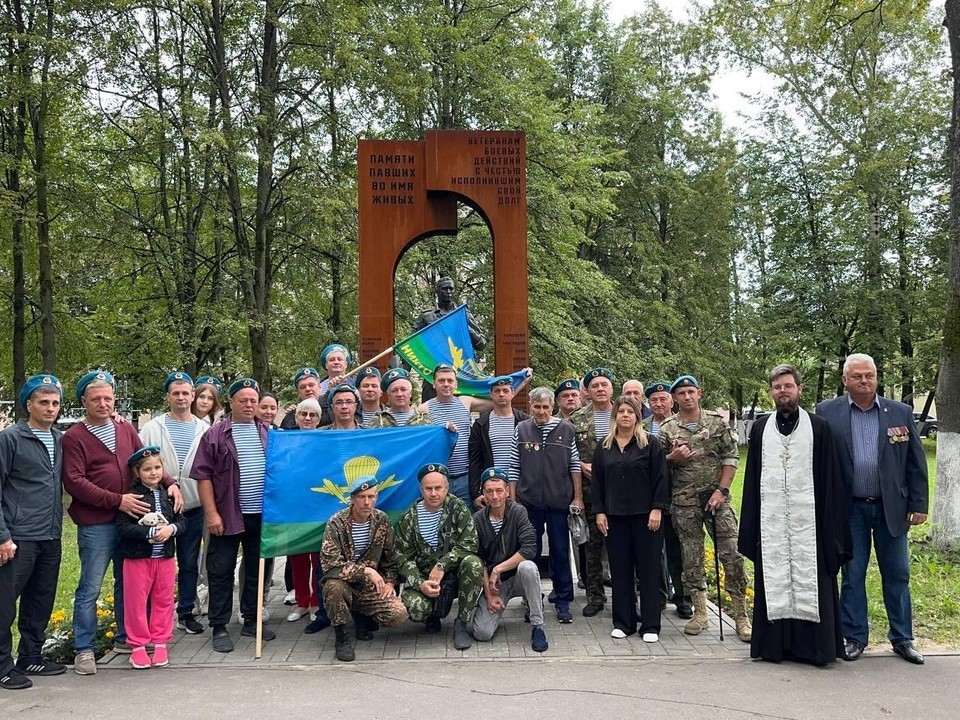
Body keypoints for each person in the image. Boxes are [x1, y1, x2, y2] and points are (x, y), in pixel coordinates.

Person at [63, 370, 183, 675]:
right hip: (98, 523)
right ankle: (84, 648)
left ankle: (125, 639)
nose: (103, 403)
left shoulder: (125, 429)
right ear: (83, 402)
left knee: (128, 583)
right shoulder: (75, 437)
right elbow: (75, 481)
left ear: (115, 400)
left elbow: (143, 461)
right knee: (90, 585)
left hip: (133, 522)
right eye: (96, 399)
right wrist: (117, 500)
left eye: (108, 398)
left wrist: (169, 481)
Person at [817, 353, 928, 665]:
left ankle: (903, 638)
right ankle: (854, 637)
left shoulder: (900, 412)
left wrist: (919, 504)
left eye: (869, 375)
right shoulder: (828, 412)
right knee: (853, 575)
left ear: (877, 377)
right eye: (857, 377)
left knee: (898, 574)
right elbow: (819, 460)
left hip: (892, 509)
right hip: (848, 510)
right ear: (845, 380)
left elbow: (916, 462)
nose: (864, 381)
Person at [740, 365, 852, 666]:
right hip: (773, 523)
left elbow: (831, 480)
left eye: (788, 386)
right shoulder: (762, 429)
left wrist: (832, 528)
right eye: (777, 387)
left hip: (810, 527)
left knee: (812, 580)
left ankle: (816, 649)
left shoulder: (819, 428)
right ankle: (774, 648)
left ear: (799, 389)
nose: (783, 392)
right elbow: (752, 480)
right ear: (771, 391)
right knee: (775, 578)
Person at [658, 375, 752, 641]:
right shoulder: (667, 429)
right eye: (681, 393)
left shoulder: (716, 422)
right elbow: (658, 468)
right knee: (691, 558)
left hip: (716, 500)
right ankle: (700, 612)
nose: (687, 397)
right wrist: (671, 459)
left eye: (691, 392)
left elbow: (731, 456)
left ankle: (741, 615)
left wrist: (722, 491)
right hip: (685, 502)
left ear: (699, 393)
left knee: (732, 555)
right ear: (674, 398)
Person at [192, 377, 277, 653]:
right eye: (243, 400)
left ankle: (251, 620)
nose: (250, 405)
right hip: (227, 514)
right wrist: (211, 513)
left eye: (254, 400)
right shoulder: (215, 434)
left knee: (256, 569)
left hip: (260, 516)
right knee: (221, 570)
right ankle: (219, 626)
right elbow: (203, 476)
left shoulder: (268, 431)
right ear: (231, 402)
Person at [0, 374, 66, 690]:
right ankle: (2, 665)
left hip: (50, 534)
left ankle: (30, 656)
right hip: (18, 536)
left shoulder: (59, 439)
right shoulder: (10, 439)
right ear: (29, 404)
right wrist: (2, 536)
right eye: (44, 402)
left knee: (40, 600)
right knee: (4, 603)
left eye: (55, 402)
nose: (50, 408)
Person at [593, 396, 669, 641]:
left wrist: (657, 508)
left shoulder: (650, 444)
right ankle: (624, 623)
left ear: (637, 416)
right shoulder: (604, 447)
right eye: (621, 411)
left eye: (630, 411)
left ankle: (650, 626)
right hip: (615, 517)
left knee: (647, 570)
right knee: (621, 570)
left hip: (646, 517)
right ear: (615, 416)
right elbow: (597, 483)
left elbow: (661, 479)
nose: (625, 415)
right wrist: (600, 511)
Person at [139, 372, 207, 635]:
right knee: (155, 563)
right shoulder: (153, 428)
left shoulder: (204, 428)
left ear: (193, 395)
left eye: (185, 392)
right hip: (159, 508)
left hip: (193, 505)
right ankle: (154, 615)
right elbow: (139, 465)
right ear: (168, 396)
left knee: (189, 562)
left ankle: (186, 612)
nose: (181, 397)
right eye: (175, 393)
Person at [508, 386, 582, 624]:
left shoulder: (567, 429)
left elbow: (575, 466)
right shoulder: (521, 429)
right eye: (537, 407)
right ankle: (532, 600)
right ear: (530, 406)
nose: (541, 411)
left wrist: (577, 497)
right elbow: (513, 466)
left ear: (552, 407)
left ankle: (563, 602)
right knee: (531, 553)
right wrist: (512, 499)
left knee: (560, 552)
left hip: (559, 502)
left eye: (546, 407)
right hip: (529, 502)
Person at [395, 463, 483, 649]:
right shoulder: (409, 518)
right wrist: (420, 583)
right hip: (424, 578)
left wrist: (443, 564)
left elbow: (470, 543)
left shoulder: (458, 508)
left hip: (453, 575)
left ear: (447, 488)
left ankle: (461, 623)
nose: (433, 493)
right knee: (415, 608)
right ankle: (431, 616)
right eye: (428, 488)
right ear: (421, 490)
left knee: (473, 564)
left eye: (438, 488)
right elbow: (402, 558)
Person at [320, 477, 407, 662]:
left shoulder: (381, 520)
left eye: (371, 496)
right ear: (352, 498)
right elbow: (330, 564)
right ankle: (341, 636)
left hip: (370, 587)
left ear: (376, 497)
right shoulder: (336, 523)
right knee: (332, 587)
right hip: (344, 584)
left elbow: (391, 558)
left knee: (398, 614)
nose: (367, 502)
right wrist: (366, 571)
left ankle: (361, 616)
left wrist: (391, 582)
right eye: (361, 497)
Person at [117, 447, 187, 669]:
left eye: (157, 467)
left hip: (165, 559)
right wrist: (148, 533)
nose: (153, 473)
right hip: (137, 560)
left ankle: (160, 643)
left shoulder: (170, 493)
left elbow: (182, 520)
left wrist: (172, 529)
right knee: (136, 602)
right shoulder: (132, 497)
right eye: (147, 469)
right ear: (138, 473)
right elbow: (123, 528)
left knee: (164, 600)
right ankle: (137, 646)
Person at [470, 468, 548, 652]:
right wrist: (489, 595)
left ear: (507, 491)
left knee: (528, 567)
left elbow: (529, 549)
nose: (495, 496)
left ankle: (538, 626)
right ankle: (530, 598)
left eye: (499, 491)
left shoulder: (518, 512)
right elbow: (477, 558)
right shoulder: (477, 519)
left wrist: (498, 570)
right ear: (483, 494)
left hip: (518, 577)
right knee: (482, 633)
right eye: (489, 491)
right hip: (497, 585)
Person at [569, 367, 615, 617]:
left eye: (604, 384)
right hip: (589, 491)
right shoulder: (577, 418)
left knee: (620, 546)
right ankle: (595, 596)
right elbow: (569, 454)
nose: (599, 389)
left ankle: (625, 597)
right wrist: (580, 467)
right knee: (592, 547)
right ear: (587, 390)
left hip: (620, 492)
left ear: (611, 389)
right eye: (594, 385)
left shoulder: (625, 413)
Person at [643, 380, 690, 620]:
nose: (659, 403)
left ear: (671, 401)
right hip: (648, 498)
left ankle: (683, 598)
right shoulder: (641, 427)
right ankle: (658, 596)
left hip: (679, 495)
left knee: (677, 550)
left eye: (663, 399)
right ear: (648, 404)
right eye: (654, 400)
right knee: (652, 552)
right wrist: (670, 458)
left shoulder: (683, 425)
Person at [420, 364, 493, 504]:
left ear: (456, 384)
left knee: (467, 521)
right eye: (441, 381)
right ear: (434, 384)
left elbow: (498, 401)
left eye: (450, 380)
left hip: (465, 478)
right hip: (438, 479)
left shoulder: (466, 402)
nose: (446, 384)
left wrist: (521, 381)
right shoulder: (424, 409)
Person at [413, 277, 487, 401]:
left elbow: (481, 344)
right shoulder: (427, 317)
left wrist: (466, 328)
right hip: (433, 378)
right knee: (430, 417)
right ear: (437, 291)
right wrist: (402, 375)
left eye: (451, 289)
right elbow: (413, 344)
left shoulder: (464, 315)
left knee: (458, 417)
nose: (449, 292)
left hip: (461, 379)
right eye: (445, 289)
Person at [285, 399, 323, 624]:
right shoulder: (285, 441)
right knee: (298, 558)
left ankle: (316, 602)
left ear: (319, 419)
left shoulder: (325, 439)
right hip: (293, 507)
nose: (308, 418)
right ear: (297, 416)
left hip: (319, 506)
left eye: (313, 415)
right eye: (303, 414)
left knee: (318, 558)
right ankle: (301, 601)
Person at [468, 377, 529, 507]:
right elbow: (474, 461)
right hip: (492, 488)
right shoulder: (480, 425)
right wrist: (475, 494)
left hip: (521, 487)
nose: (501, 394)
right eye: (497, 391)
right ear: (491, 394)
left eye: (505, 390)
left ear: (512, 392)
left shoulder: (525, 422)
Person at [367, 369, 435, 427]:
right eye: (394, 390)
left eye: (403, 389)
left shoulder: (424, 420)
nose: (399, 394)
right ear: (388, 395)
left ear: (410, 393)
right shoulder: (377, 422)